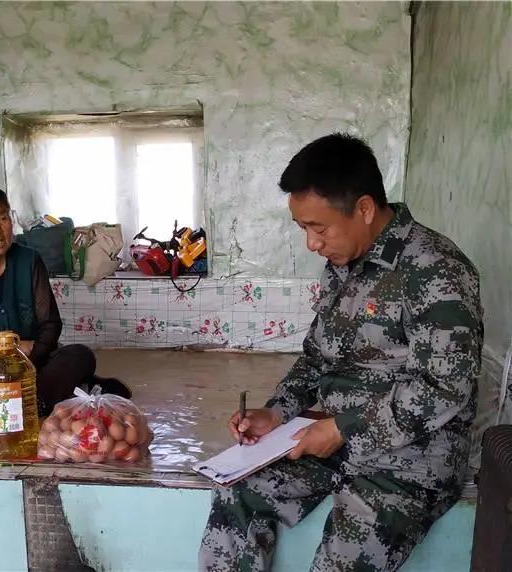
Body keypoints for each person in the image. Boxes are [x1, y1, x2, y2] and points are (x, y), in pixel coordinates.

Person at [199, 134, 482, 571]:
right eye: (303, 229)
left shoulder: (435, 269)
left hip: (412, 460)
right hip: (333, 440)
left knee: (342, 560)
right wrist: (276, 412)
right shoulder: (342, 265)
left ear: (364, 209)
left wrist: (343, 428)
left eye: (319, 228)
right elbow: (318, 357)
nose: (311, 244)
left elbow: (445, 387)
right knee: (237, 491)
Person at [0, 184, 130, 417]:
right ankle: (70, 389)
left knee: (80, 355)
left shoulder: (29, 260)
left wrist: (29, 359)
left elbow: (50, 324)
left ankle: (34, 400)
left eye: (3, 218)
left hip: (34, 360)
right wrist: (12, 348)